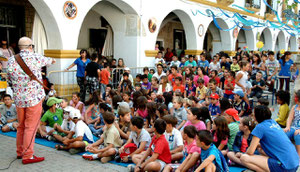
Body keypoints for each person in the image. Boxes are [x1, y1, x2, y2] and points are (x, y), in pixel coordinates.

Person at [7, 37, 56, 164]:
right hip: (34, 99)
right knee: (31, 127)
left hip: (19, 99)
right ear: (30, 46)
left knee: (21, 126)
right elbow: (51, 60)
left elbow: (9, 79)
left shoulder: (11, 60)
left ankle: (20, 152)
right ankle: (28, 155)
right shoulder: (35, 57)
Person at [240, 105, 299, 172]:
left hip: (285, 167)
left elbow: (250, 152)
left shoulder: (260, 127)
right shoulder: (273, 122)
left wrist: (242, 153)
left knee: (243, 158)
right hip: (295, 164)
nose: (252, 116)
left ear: (257, 116)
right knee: (260, 149)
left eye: (253, 114)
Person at [284, 90, 300, 156]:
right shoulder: (295, 107)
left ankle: (298, 154)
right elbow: (289, 118)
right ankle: (286, 152)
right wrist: (287, 126)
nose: (294, 98)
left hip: (299, 129)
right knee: (285, 134)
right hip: (294, 127)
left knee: (297, 136)